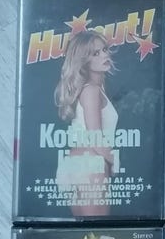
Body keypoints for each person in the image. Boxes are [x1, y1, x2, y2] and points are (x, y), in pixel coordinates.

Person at [54, 31, 117, 216]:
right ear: (84, 61)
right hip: (90, 164)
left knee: (86, 228)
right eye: (96, 53)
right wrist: (116, 163)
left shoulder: (96, 89)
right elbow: (95, 138)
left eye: (104, 49)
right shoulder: (91, 91)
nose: (104, 55)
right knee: (95, 227)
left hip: (78, 164)